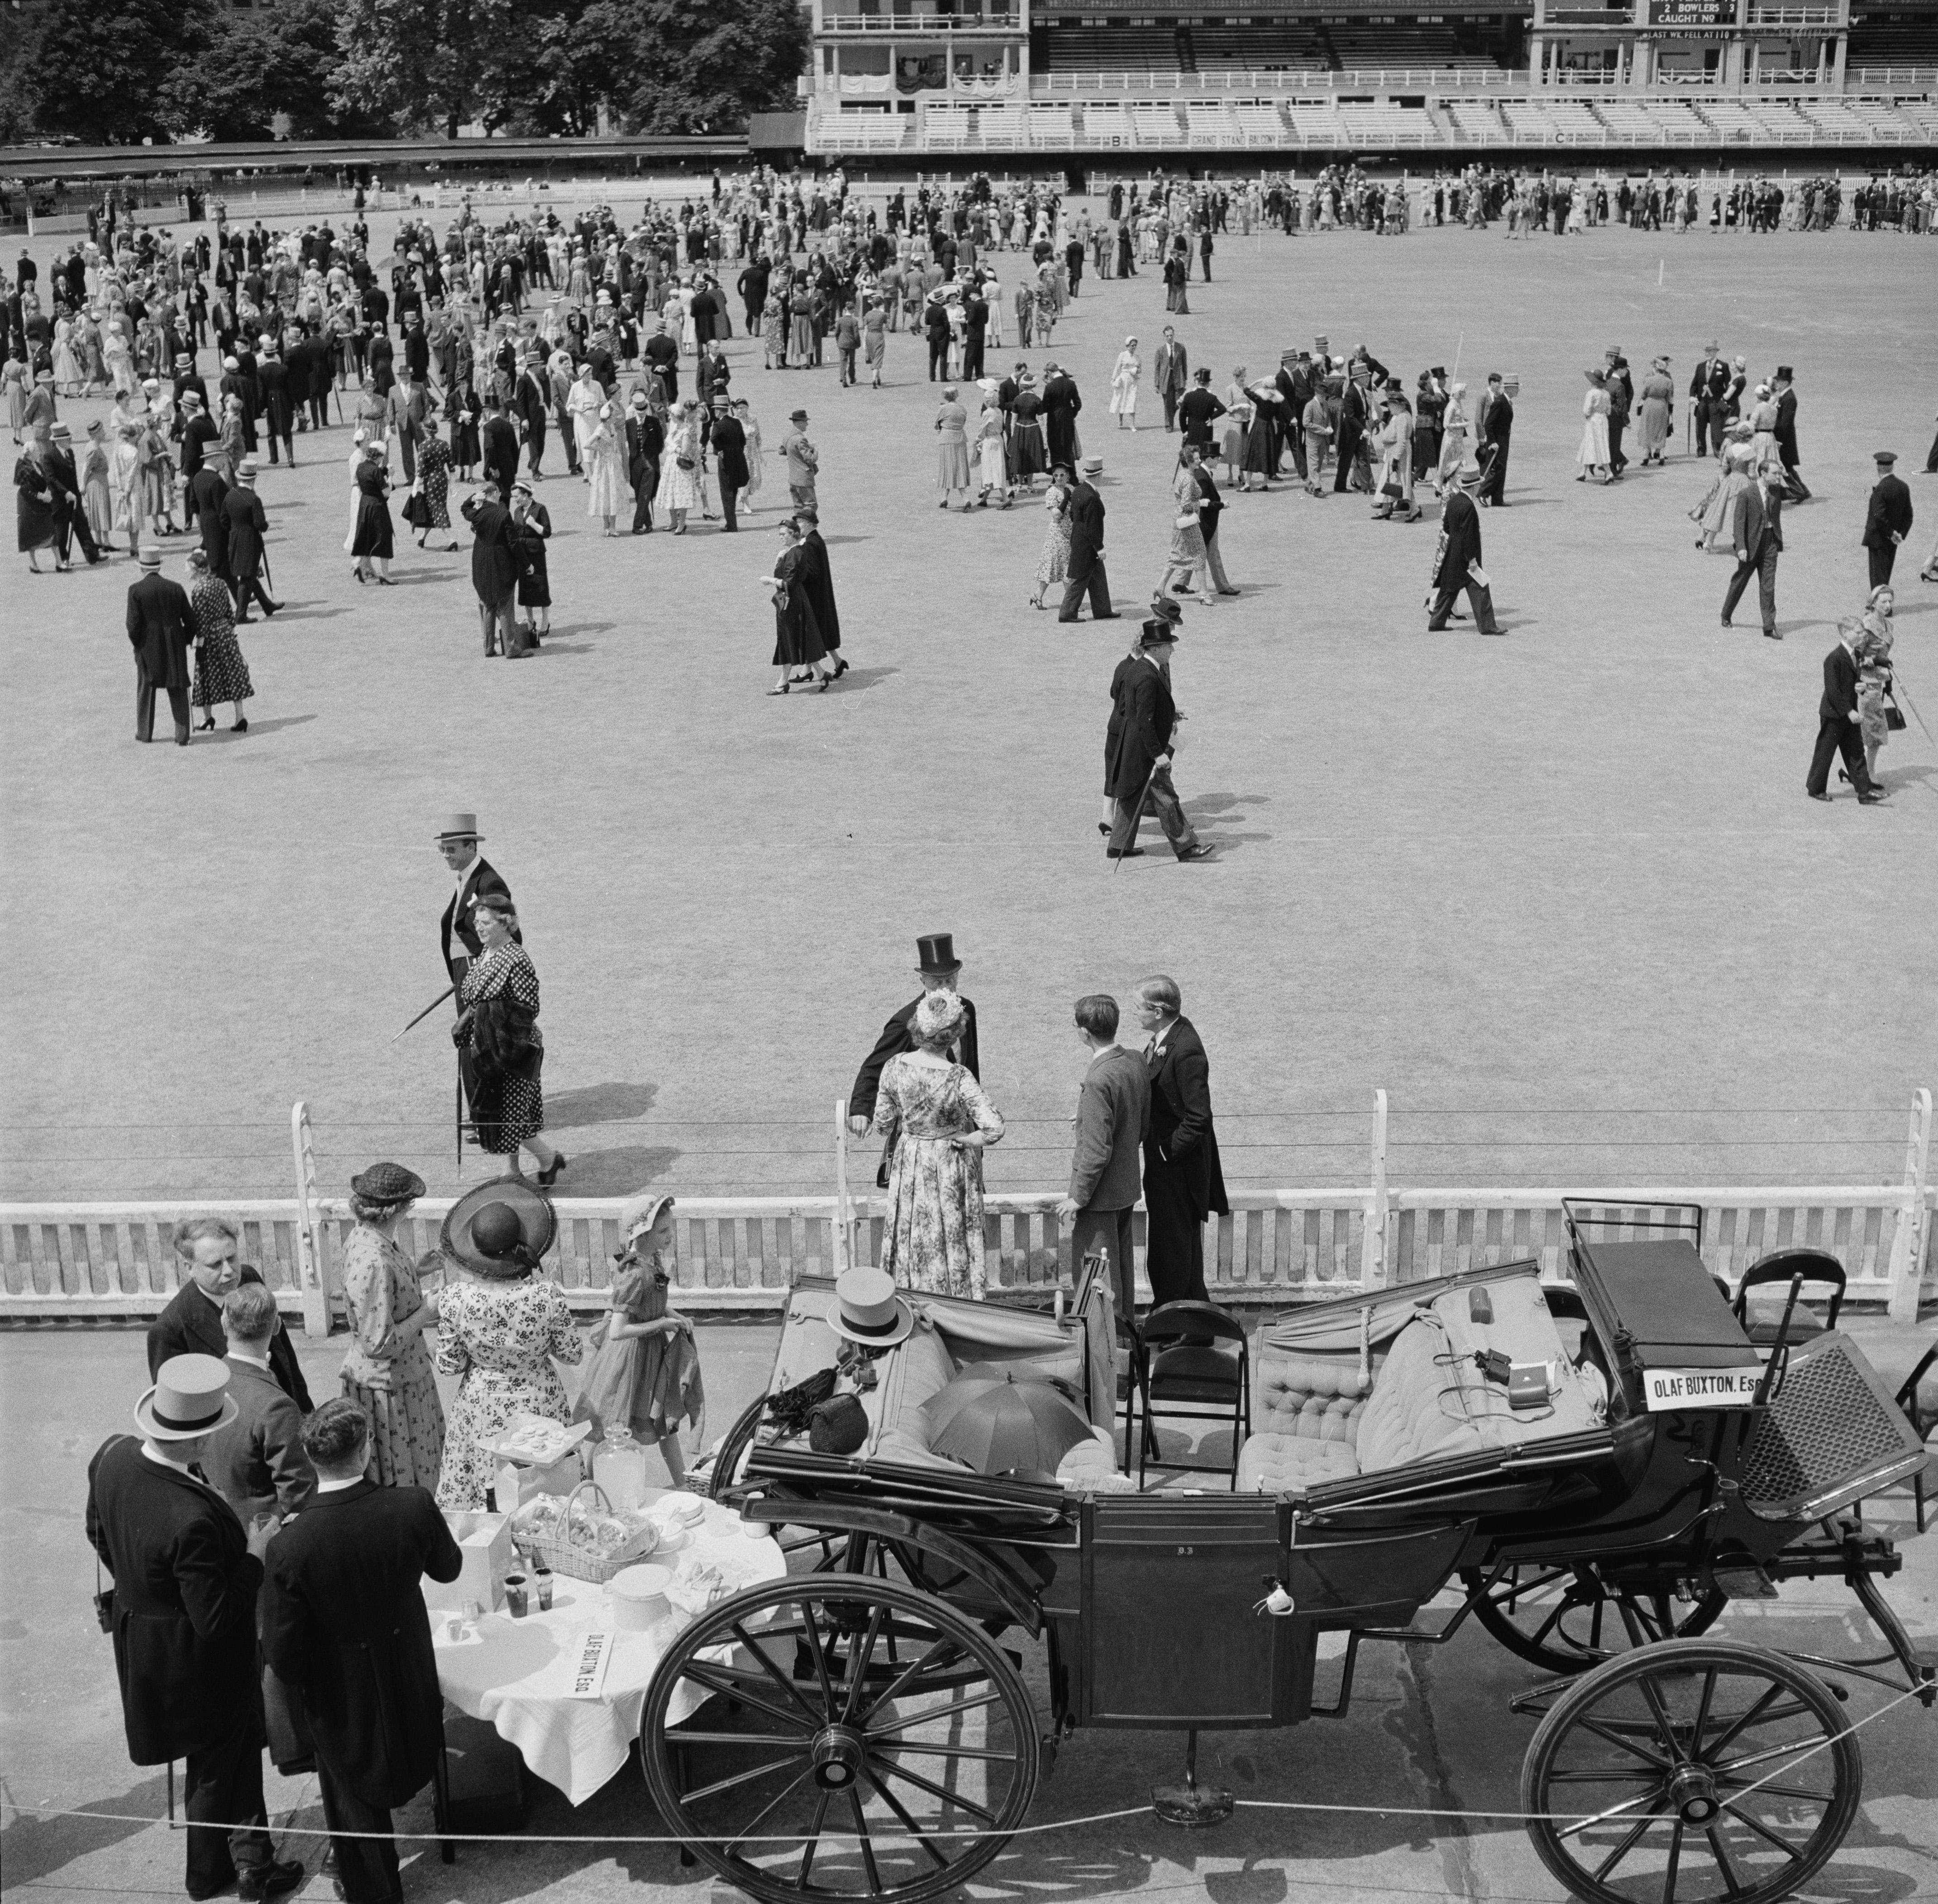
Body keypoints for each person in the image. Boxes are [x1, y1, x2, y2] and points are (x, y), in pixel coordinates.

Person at [87, 1356, 306, 1902]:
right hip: (196, 1659)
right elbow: (214, 1616)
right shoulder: (192, 1517)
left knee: (228, 1751)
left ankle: (252, 1860)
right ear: (194, 1441)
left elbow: (97, 1528)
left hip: (142, 1640)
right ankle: (212, 1873)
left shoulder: (113, 1457)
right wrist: (254, 1553)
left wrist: (140, 1583)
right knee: (217, 1758)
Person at [260, 1398, 462, 1904]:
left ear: (311, 1459)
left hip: (340, 1697)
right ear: (367, 1449)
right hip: (409, 1672)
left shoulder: (290, 1546)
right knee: (414, 1751)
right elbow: (448, 1568)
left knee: (353, 1800)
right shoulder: (412, 1505)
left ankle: (376, 1891)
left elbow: (283, 1658)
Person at [432, 1183, 584, 1509]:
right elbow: (573, 1353)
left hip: (481, 1404)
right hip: (539, 1400)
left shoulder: (456, 1299)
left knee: (488, 1497)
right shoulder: (547, 1296)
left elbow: (449, 1366)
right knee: (547, 1491)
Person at [870, 989, 1006, 1301]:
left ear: (918, 1026)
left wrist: (910, 1124)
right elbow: (994, 1127)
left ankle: (908, 1299)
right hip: (950, 1162)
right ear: (956, 1032)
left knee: (913, 1235)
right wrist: (969, 1139)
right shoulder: (959, 1077)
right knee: (950, 1235)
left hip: (911, 1160)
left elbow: (882, 1123)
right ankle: (957, 1305)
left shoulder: (895, 1066)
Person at [573, 1193, 703, 1483]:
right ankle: (590, 1485)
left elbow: (650, 1302)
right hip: (628, 1359)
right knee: (607, 1425)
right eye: (663, 1231)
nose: (671, 1236)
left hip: (651, 1354)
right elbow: (618, 1330)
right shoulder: (634, 1274)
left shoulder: (652, 1261)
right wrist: (661, 1324)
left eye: (671, 1228)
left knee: (662, 1420)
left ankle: (681, 1483)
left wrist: (675, 1315)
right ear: (642, 1233)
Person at [337, 1162, 446, 1490]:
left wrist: (417, 1269)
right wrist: (426, 1312)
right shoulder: (375, 1261)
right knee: (405, 1482)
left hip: (404, 1379)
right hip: (390, 1391)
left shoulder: (365, 1237)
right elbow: (379, 1343)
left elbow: (383, 1295)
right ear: (399, 1208)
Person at [148, 1216, 315, 1408]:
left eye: (232, 1258)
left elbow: (285, 1356)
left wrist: (307, 1412)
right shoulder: (170, 1330)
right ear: (189, 1268)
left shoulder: (250, 1279)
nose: (229, 1271)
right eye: (215, 1264)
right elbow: (174, 1409)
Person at [455, 891, 565, 1180]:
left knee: (508, 1112)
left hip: (512, 1047)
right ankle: (549, 1160)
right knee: (516, 1114)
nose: (479, 928)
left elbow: (530, 1007)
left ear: (506, 923)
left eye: (486, 923)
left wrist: (495, 1021)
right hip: (488, 1045)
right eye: (477, 922)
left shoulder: (517, 958)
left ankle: (511, 1174)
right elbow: (470, 994)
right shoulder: (484, 954)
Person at [1053, 994, 1150, 1319]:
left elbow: (1096, 1151)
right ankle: (1123, 1345)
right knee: (1120, 1274)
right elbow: (1137, 1120)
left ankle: (1105, 1355)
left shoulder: (1098, 1080)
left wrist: (1077, 1198)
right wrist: (1085, 1117)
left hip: (1099, 1197)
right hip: (1125, 1188)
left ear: (1085, 1032)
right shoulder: (1135, 1061)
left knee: (1096, 1281)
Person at [1135, 975, 1228, 1309]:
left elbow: (1199, 1117)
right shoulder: (1168, 1037)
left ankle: (1182, 1326)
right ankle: (1185, 1323)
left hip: (1177, 1170)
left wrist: (1164, 1151)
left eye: (1140, 1007)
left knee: (1174, 1253)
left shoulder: (1186, 1048)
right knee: (1169, 1250)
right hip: (1167, 1169)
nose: (1136, 1013)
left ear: (1158, 1011)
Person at [848, 934, 982, 1149]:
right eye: (938, 982)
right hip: (923, 1135)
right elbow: (875, 1067)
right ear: (923, 980)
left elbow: (971, 1067)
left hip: (963, 1130)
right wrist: (861, 1110)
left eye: (950, 980)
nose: (945, 987)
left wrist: (975, 1126)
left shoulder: (967, 1009)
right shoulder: (906, 1020)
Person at [201, 1282, 317, 1524]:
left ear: (224, 1325)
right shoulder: (277, 1407)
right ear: (276, 1326)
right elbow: (298, 1496)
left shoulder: (208, 1379)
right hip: (264, 1531)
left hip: (220, 1518)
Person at [1104, 617, 1210, 862]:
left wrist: (1169, 713)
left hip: (1132, 747)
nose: (1172, 650)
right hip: (1145, 750)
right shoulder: (1148, 677)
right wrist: (1157, 754)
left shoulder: (1139, 669)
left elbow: (1137, 710)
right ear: (1155, 648)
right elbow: (1144, 720)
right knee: (1166, 797)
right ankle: (1186, 847)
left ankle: (1118, 846)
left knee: (1131, 797)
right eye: (1168, 645)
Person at [125, 543, 197, 745]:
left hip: (148, 646)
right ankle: (182, 736)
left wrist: (138, 645)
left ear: (142, 568)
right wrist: (185, 640)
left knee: (146, 689)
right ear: (159, 567)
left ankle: (145, 733)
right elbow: (191, 621)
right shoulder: (175, 588)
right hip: (174, 642)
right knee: (178, 687)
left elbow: (132, 626)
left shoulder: (136, 590)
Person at [1805, 622, 1884, 806]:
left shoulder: (1856, 655)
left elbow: (1853, 683)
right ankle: (1816, 789)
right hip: (1834, 714)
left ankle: (1865, 792)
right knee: (1825, 752)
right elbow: (1833, 691)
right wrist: (1849, 712)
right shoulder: (1834, 658)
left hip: (1849, 713)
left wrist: (1861, 688)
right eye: (1858, 632)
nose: (1862, 636)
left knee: (1856, 751)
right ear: (1845, 633)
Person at [436, 814, 514, 988]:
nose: (446, 856)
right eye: (442, 849)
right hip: (463, 970)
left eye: (452, 850)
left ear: (471, 847)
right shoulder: (465, 878)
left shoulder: (489, 882)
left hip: (478, 970)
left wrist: (486, 975)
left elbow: (509, 934)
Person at [186, 547, 254, 734]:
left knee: (205, 675)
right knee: (233, 673)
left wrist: (198, 643)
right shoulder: (221, 583)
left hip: (210, 636)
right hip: (225, 632)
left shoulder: (199, 590)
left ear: (195, 570)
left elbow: (201, 620)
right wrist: (230, 631)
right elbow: (228, 611)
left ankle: (207, 718)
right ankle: (240, 716)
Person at [1426, 467, 1501, 634]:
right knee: (1481, 589)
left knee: (1448, 590)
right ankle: (1488, 626)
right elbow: (1468, 536)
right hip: (1467, 558)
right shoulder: (1468, 506)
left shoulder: (1453, 501)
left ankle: (1436, 623)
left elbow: (1447, 527)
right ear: (1474, 487)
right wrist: (1472, 560)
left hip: (1452, 554)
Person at [1721, 460, 1785, 639]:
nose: (1778, 477)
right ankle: (1726, 614)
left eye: (1779, 474)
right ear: (1763, 474)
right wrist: (1741, 547)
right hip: (1751, 545)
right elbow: (1739, 523)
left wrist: (1785, 474)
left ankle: (1769, 626)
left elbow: (1798, 493)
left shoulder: (1777, 491)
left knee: (1768, 586)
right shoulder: (1747, 494)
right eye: (1775, 474)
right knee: (1740, 580)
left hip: (1770, 542)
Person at [462, 480, 523, 658]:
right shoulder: (503, 514)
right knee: (505, 606)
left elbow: (464, 509)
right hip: (501, 565)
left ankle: (489, 648)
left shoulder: (476, 514)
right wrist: (526, 563)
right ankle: (511, 648)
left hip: (481, 566)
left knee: (489, 606)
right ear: (495, 493)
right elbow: (513, 543)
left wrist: (473, 498)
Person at [1058, 465, 1116, 623]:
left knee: (1098, 576)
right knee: (1080, 579)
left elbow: (1072, 515)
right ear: (1097, 476)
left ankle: (1103, 610)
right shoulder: (1092, 497)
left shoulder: (1079, 490)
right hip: (1087, 545)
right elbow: (1093, 527)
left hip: (1079, 541)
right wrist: (1100, 547)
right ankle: (1067, 613)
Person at [223, 458, 278, 621]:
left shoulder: (230, 495)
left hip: (234, 539)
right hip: (251, 542)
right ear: (253, 479)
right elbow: (259, 524)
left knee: (250, 574)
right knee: (248, 577)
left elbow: (224, 520)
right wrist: (266, 526)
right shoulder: (254, 499)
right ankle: (240, 615)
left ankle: (267, 605)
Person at [793, 508, 846, 677]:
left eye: (800, 522)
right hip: (821, 595)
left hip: (814, 596)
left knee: (812, 633)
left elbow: (813, 572)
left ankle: (808, 670)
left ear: (809, 524)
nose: (797, 526)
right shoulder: (816, 540)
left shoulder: (810, 544)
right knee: (822, 631)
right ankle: (835, 662)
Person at [1854, 589, 1896, 788]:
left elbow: (1885, 654)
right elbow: (1855, 657)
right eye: (1883, 601)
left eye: (1890, 601)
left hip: (1879, 683)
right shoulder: (1867, 625)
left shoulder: (1889, 625)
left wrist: (1888, 682)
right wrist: (1875, 660)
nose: (1887, 606)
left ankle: (1861, 770)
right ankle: (1868, 774)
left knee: (1874, 731)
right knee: (1873, 733)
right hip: (1865, 684)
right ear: (1873, 602)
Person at [510, 480, 553, 642]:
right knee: (526, 588)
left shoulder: (540, 509)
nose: (516, 500)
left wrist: (534, 525)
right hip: (522, 554)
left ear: (526, 495)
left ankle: (545, 621)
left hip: (536, 553)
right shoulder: (517, 511)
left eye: (517, 496)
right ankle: (530, 620)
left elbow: (547, 532)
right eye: (514, 497)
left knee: (541, 586)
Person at [1862, 449, 1913, 587]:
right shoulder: (1903, 487)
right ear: (1892, 467)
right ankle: (1884, 604)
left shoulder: (1881, 489)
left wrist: (1890, 533)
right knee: (1886, 573)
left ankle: (1882, 606)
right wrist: (1900, 534)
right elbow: (1909, 516)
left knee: (1878, 576)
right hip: (1893, 541)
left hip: (1878, 539)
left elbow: (1878, 516)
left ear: (1879, 468)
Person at [350, 440, 395, 585]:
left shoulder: (361, 467)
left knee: (366, 537)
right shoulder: (376, 471)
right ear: (379, 456)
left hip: (365, 505)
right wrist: (391, 477)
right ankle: (385, 575)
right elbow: (387, 492)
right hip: (378, 506)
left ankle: (358, 566)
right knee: (384, 538)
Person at [1031, 467, 1073, 611]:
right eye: (1056, 475)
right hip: (1057, 533)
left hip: (1070, 532)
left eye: (1062, 475)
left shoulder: (1071, 489)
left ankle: (1038, 594)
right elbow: (1056, 514)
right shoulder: (1051, 492)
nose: (1059, 478)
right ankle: (1071, 602)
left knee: (1059, 565)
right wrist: (1067, 498)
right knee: (1064, 566)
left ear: (1068, 476)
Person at [710, 398, 748, 532]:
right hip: (738, 459)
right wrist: (737, 451)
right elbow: (743, 441)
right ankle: (731, 523)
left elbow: (713, 439)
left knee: (726, 493)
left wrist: (721, 450)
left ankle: (731, 524)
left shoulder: (718, 425)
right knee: (734, 490)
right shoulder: (736, 422)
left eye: (716, 409)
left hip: (726, 460)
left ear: (719, 411)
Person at [1477, 372, 1513, 507]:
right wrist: (1492, 442)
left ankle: (1498, 498)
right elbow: (1488, 424)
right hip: (1497, 441)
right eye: (1516, 388)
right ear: (1510, 389)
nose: (1518, 390)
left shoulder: (1506, 400)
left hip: (1504, 440)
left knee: (1502, 469)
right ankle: (1483, 493)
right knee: (1498, 468)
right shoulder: (1500, 401)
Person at [934, 383, 972, 511]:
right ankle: (944, 497)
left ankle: (965, 498)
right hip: (960, 439)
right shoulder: (962, 409)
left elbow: (936, 425)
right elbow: (963, 422)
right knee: (959, 467)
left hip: (946, 440)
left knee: (948, 468)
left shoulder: (943, 409)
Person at [1636, 357, 1675, 465]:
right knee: (1661, 430)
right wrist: (1670, 409)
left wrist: (1640, 405)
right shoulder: (1668, 381)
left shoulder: (1649, 379)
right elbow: (1670, 397)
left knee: (1647, 428)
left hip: (1650, 404)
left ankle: (1646, 456)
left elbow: (1644, 394)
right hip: (1662, 405)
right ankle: (1661, 455)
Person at [1577, 368, 1613, 483]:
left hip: (1593, 420)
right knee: (1599, 445)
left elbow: (1587, 410)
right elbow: (1608, 410)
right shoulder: (1606, 393)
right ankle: (1583, 472)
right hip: (1603, 420)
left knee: (1592, 444)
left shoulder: (1591, 393)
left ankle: (1608, 472)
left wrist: (1588, 415)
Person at [780, 406, 817, 512]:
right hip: (803, 479)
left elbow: (781, 451)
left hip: (793, 478)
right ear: (800, 422)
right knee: (811, 506)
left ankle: (799, 527)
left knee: (799, 507)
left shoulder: (788, 436)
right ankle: (807, 528)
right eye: (805, 421)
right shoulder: (800, 439)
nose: (807, 424)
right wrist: (814, 449)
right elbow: (810, 459)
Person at [1154, 327, 1188, 432]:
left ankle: (1171, 414)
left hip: (1178, 379)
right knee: (1167, 403)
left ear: (1174, 335)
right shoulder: (1160, 350)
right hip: (1166, 380)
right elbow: (1157, 368)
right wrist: (1157, 384)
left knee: (1179, 402)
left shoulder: (1181, 348)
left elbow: (1184, 363)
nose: (1170, 337)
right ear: (1164, 336)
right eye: (1168, 336)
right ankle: (1169, 426)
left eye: (1171, 335)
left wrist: (1185, 378)